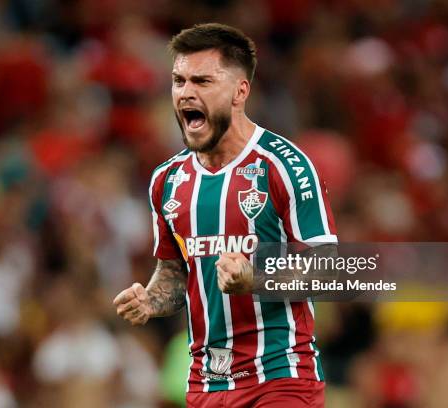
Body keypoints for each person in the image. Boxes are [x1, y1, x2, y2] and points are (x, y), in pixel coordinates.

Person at [113, 23, 337, 407]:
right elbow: (175, 272)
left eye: (202, 81)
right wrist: (151, 300)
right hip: (205, 385)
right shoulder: (166, 181)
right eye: (179, 80)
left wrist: (255, 277)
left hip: (280, 378)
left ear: (239, 91)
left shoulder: (284, 166)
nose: (186, 93)